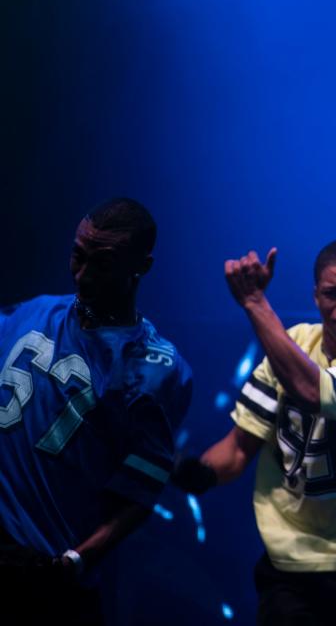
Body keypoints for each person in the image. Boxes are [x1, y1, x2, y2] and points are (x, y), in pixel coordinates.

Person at [171, 237, 336, 625]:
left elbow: (313, 391)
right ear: (315, 296)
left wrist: (256, 303)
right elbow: (240, 447)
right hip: (294, 563)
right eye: (332, 292)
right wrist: (197, 472)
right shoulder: (291, 344)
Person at [0, 198, 193, 624]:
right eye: (77, 256)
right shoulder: (33, 312)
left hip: (43, 571)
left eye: (102, 263)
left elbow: (139, 495)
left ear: (140, 267)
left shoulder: (154, 368)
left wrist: (74, 561)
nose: (82, 275)